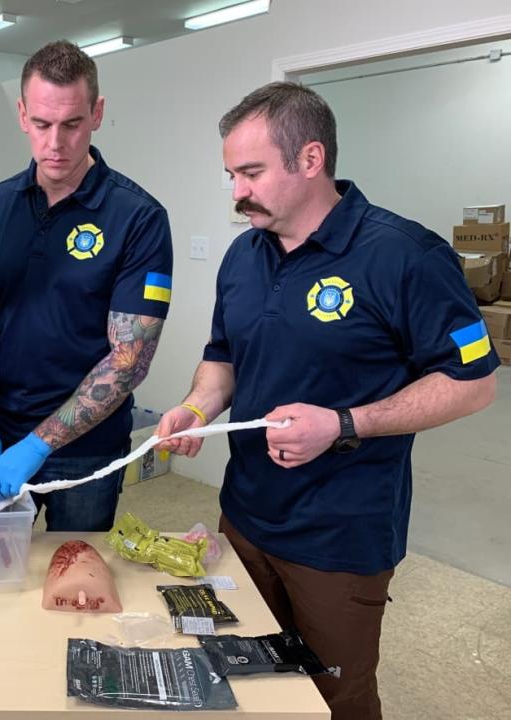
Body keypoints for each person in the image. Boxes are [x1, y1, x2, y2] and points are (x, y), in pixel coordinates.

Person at [155, 82, 499, 720]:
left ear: (310, 160)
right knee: (245, 675)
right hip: (244, 516)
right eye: (231, 174)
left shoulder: (406, 255)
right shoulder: (243, 254)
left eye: (251, 172)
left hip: (341, 538)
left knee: (332, 696)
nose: (237, 192)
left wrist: (346, 422)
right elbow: (223, 355)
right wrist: (197, 409)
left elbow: (474, 383)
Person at [0, 41, 173, 531]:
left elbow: (128, 359)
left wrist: (39, 443)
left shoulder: (138, 218)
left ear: (96, 113)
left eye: (72, 124)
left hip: (85, 452)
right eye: (42, 124)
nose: (55, 143)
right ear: (22, 114)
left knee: (74, 587)